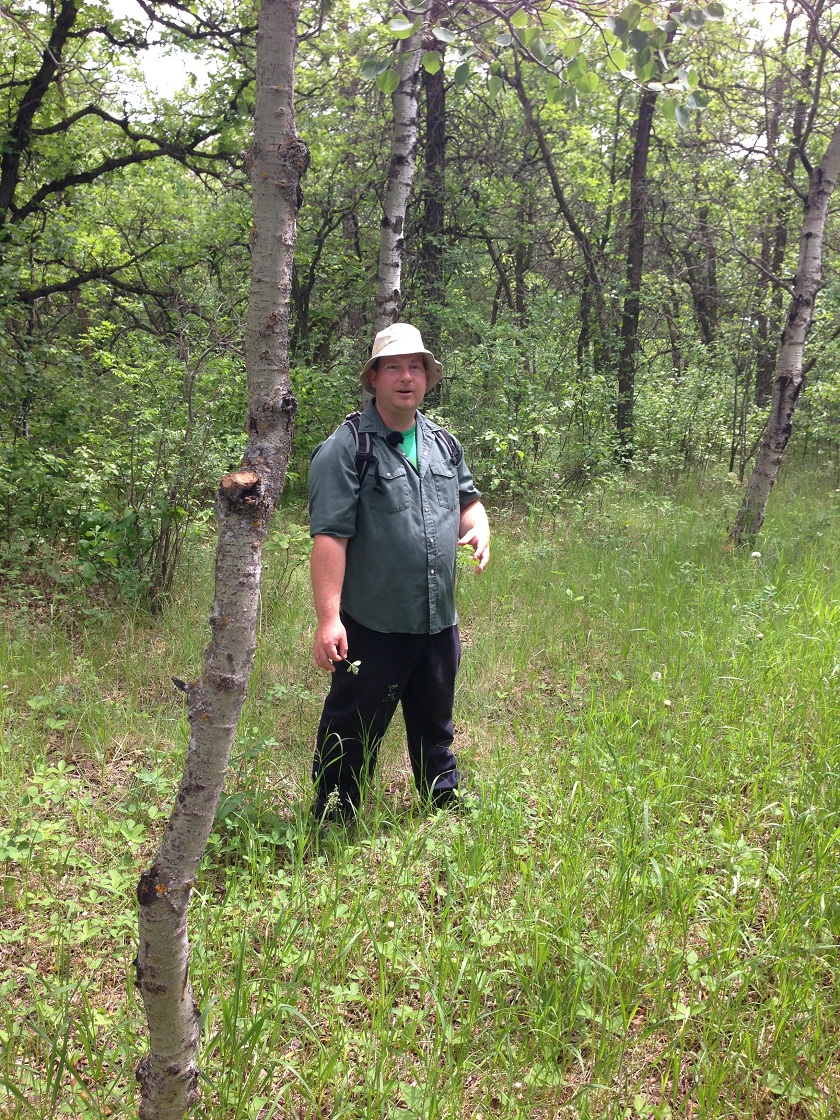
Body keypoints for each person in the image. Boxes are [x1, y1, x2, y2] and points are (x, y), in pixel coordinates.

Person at [308, 322, 490, 823]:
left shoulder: (444, 445)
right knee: (353, 723)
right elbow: (329, 538)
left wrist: (479, 530)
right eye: (394, 367)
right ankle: (334, 811)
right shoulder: (345, 450)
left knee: (435, 719)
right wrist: (329, 620)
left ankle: (442, 798)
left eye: (416, 367)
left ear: (428, 378)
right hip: (373, 623)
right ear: (373, 378)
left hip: (438, 620)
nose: (406, 377)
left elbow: (469, 503)